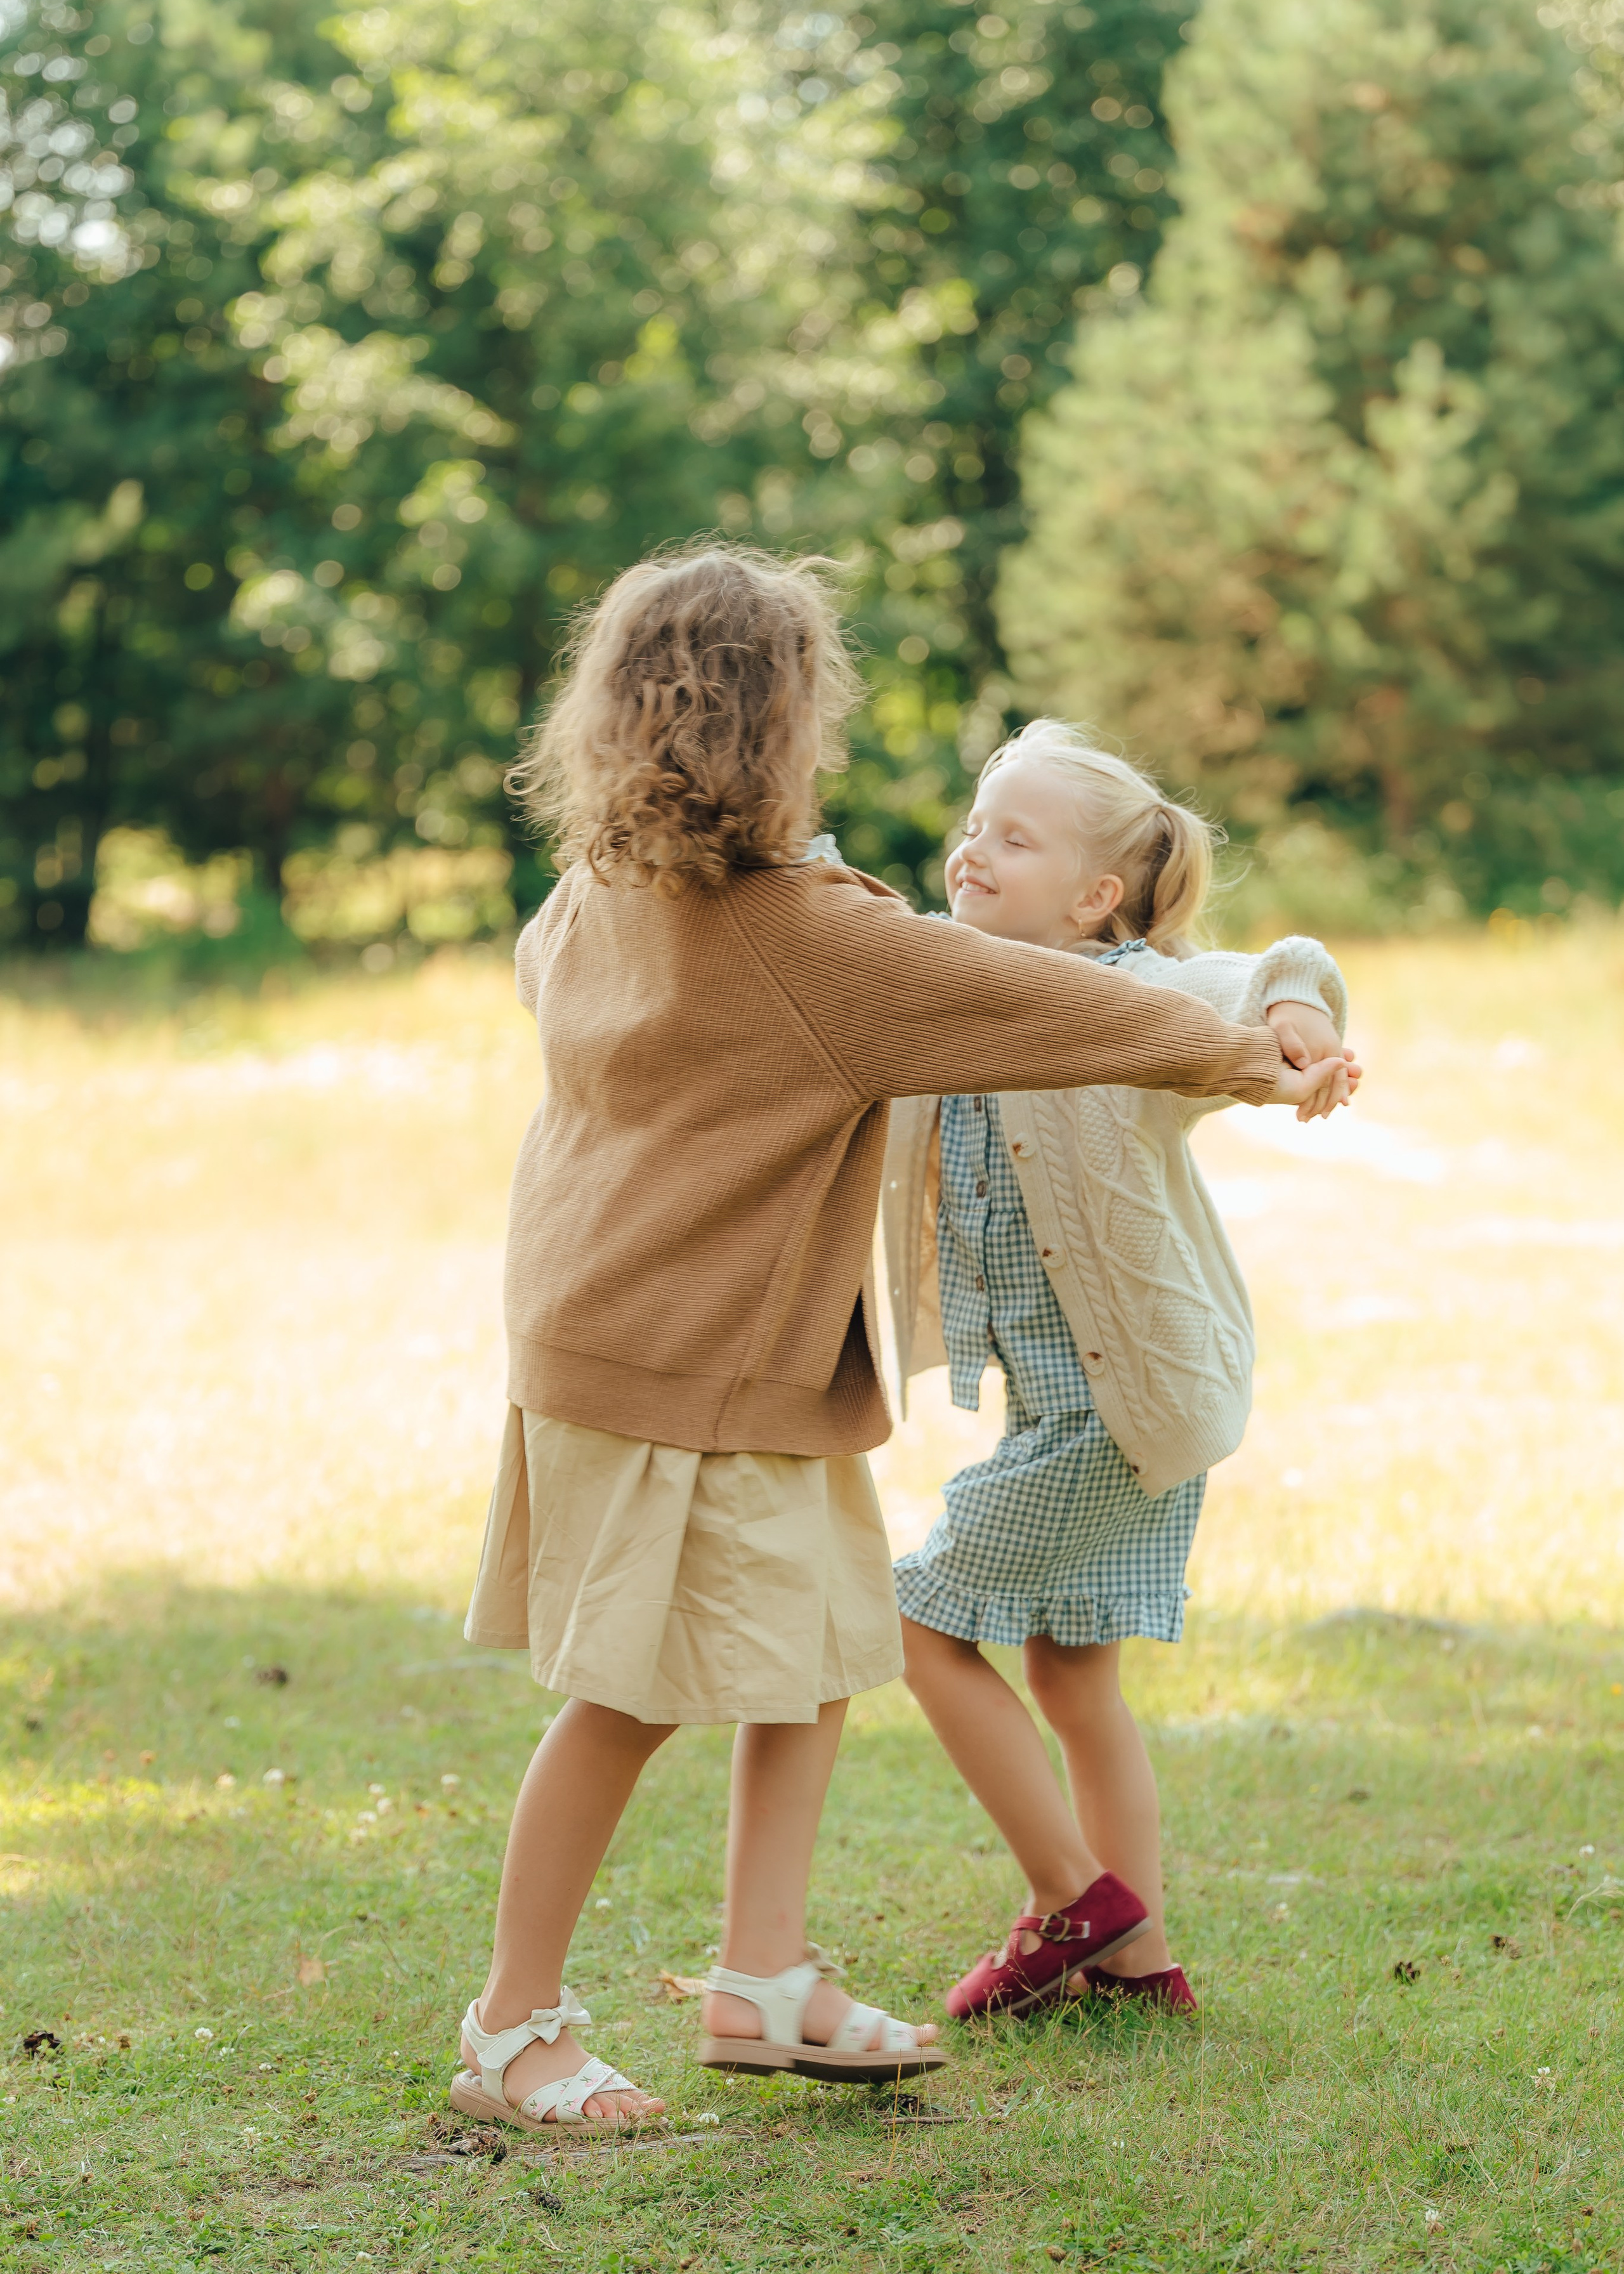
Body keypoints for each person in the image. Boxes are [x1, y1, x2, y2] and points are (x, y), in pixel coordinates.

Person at [451, 547, 1349, 2133]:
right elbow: (1053, 1005)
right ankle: (514, 2028)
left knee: (811, 1661)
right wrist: (1242, 1054)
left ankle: (763, 1979)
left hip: (666, 1343)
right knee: (629, 1698)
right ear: (787, 729)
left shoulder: (594, 891)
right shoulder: (815, 937)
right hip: (688, 1360)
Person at [883, 719, 1358, 2019]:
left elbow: (1271, 969)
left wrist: (1297, 1020)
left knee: (909, 1620)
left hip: (1125, 1402)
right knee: (1070, 1671)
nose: (975, 851)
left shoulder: (1129, 993)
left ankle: (1072, 1903)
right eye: (975, 825)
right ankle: (1139, 1974)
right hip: (1087, 1403)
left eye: (1014, 839)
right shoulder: (949, 984)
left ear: (1096, 898)